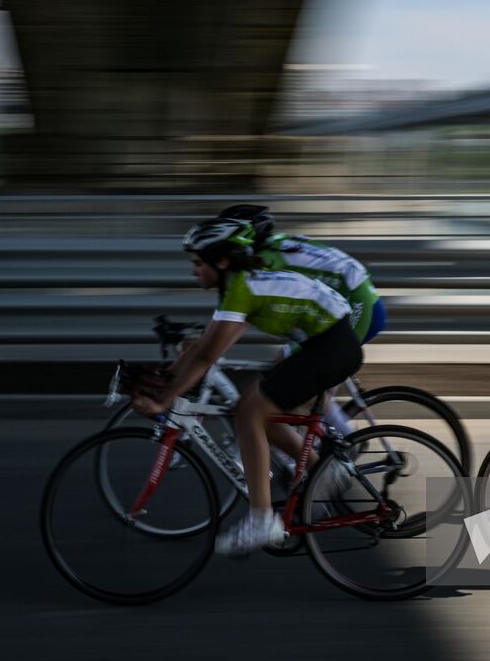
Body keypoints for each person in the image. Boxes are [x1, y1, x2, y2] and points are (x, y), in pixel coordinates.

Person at [130, 217, 362, 555]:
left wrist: (164, 400)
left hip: (332, 347)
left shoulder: (241, 288)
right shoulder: (238, 286)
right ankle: (323, 468)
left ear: (221, 261)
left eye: (197, 263)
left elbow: (207, 355)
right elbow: (201, 347)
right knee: (255, 409)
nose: (193, 270)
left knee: (250, 412)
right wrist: (164, 376)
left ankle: (261, 519)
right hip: (322, 344)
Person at [218, 204, 386, 345]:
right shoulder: (278, 244)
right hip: (359, 298)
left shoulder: (267, 260)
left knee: (296, 367)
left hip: (359, 304)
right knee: (285, 368)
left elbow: (245, 308)